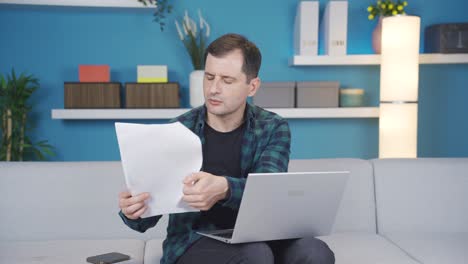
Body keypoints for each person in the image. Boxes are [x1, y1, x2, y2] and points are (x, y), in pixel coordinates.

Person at [118, 33, 335, 264]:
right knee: (255, 255)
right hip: (195, 241)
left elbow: (267, 190)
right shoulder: (177, 130)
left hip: (262, 237)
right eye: (209, 77)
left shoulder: (272, 127)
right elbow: (143, 220)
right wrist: (133, 211)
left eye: (227, 80)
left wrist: (224, 188)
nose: (213, 89)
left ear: (252, 86)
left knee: (315, 252)